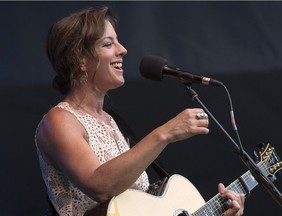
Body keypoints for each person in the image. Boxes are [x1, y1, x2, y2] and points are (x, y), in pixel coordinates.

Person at [35, 6, 245, 216]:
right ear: (80, 59)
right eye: (108, 44)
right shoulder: (59, 120)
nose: (123, 50)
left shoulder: (110, 121)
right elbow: (100, 186)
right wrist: (165, 133)